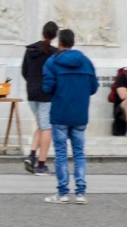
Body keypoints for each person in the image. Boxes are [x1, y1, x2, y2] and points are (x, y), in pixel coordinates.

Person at [37, 28, 96, 204]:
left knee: (61, 153)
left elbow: (47, 88)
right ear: (73, 42)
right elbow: (93, 87)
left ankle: (62, 193)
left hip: (60, 112)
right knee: (79, 153)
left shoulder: (52, 62)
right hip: (79, 112)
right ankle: (80, 192)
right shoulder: (85, 61)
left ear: (59, 42)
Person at [19, 20, 58, 175]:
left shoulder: (30, 50)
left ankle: (32, 155)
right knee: (47, 127)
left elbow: (24, 71)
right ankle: (41, 164)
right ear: (55, 36)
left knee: (41, 125)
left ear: (42, 32)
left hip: (31, 92)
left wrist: (31, 82)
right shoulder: (53, 53)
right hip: (46, 94)